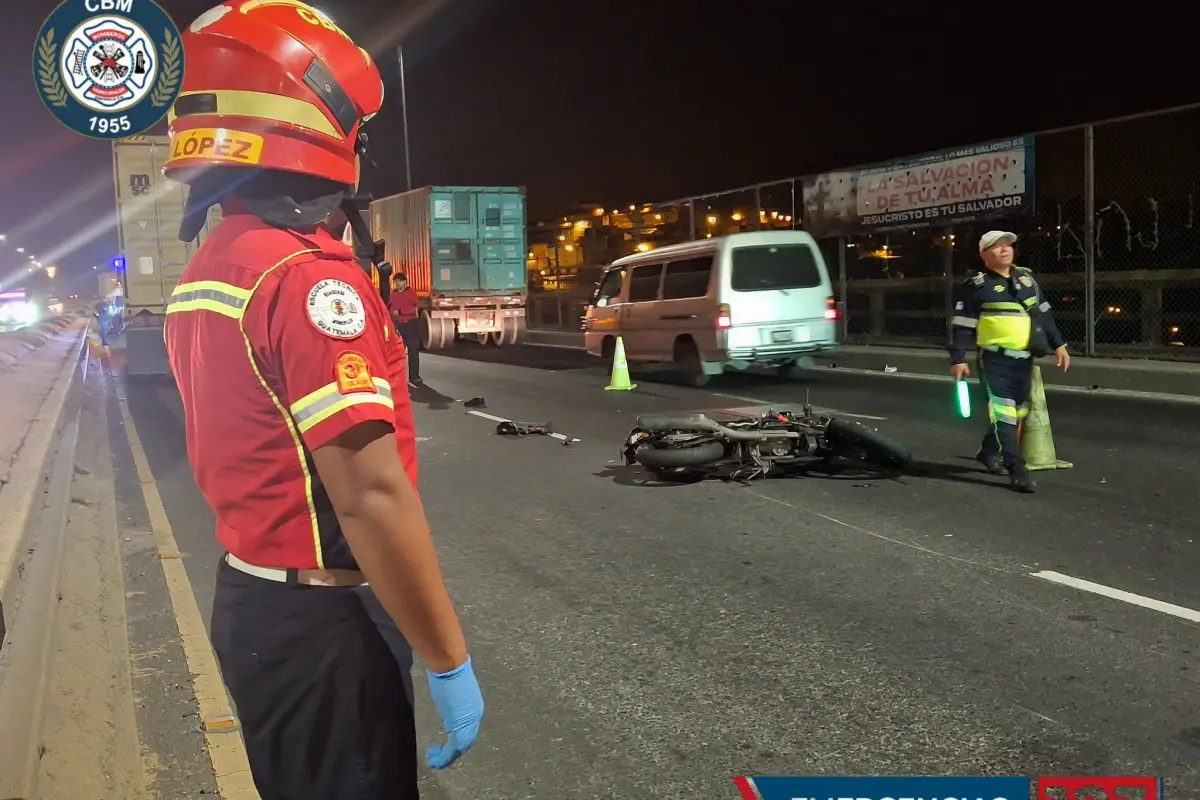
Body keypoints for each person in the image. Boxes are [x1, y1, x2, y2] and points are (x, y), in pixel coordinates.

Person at [160, 4, 483, 798]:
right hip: (323, 629)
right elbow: (372, 499)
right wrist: (449, 659)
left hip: (253, 605)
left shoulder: (215, 266)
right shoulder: (306, 278)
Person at [948, 230, 1070, 493]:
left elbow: (1044, 314)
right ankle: (1017, 469)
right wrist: (958, 358)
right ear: (983, 255)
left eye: (1007, 245)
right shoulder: (976, 287)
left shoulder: (1027, 281)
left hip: (1024, 361)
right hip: (994, 361)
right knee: (1004, 413)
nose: (1004, 250)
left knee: (1017, 413)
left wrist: (1059, 344)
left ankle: (989, 451)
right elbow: (962, 326)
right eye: (995, 247)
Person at [389, 272, 423, 385]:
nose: (397, 284)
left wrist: (400, 312)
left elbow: (414, 308)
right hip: (399, 325)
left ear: (405, 282)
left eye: (399, 281)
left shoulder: (411, 292)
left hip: (411, 325)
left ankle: (414, 376)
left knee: (413, 351)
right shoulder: (393, 293)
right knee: (398, 353)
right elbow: (390, 307)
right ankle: (396, 376)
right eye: (395, 282)